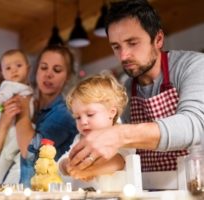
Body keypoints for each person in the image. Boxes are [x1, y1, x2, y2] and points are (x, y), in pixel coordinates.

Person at [69, 0, 204, 179]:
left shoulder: (193, 66)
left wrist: (120, 134)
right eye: (116, 47)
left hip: (195, 186)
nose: (123, 56)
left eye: (132, 43)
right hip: (148, 190)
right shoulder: (126, 89)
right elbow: (124, 155)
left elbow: (195, 125)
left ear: (158, 39)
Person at [0, 45, 77, 188]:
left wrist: (22, 113)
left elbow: (32, 155)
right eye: (44, 67)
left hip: (36, 193)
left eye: (57, 70)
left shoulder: (65, 114)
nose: (48, 74)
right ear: (35, 70)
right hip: (6, 191)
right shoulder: (30, 103)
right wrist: (5, 120)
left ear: (67, 76)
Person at [58, 73, 133, 190]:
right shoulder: (80, 139)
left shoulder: (121, 134)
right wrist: (67, 165)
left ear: (111, 112)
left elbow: (119, 161)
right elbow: (65, 159)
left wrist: (90, 171)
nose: (83, 122)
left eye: (90, 114)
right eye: (77, 117)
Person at [0, 49, 33, 184]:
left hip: (17, 132)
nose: (13, 70)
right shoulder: (10, 86)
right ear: (2, 73)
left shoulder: (27, 89)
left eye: (18, 66)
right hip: (11, 131)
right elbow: (1, 96)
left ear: (28, 68)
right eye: (8, 68)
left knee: (7, 161)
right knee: (6, 159)